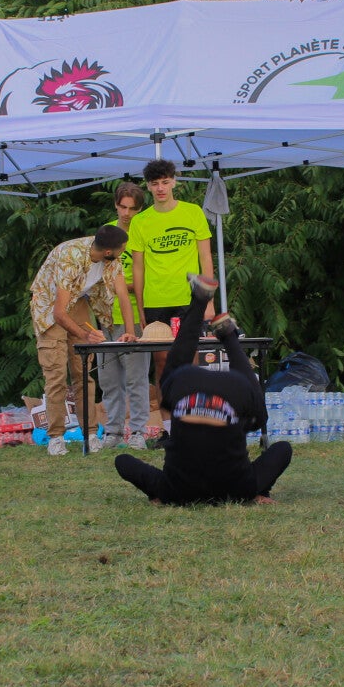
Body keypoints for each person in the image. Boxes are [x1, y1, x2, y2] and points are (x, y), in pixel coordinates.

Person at [113, 276, 292, 505]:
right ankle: (207, 310)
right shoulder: (170, 491)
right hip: (196, 389)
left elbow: (258, 421)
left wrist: (238, 423)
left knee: (268, 428)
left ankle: (227, 333)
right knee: (173, 372)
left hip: (223, 476)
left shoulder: (173, 491)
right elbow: (125, 464)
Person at [29, 224, 132, 455]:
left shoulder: (111, 259)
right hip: (50, 306)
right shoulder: (71, 257)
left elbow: (123, 296)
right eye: (122, 249)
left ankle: (91, 433)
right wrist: (85, 335)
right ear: (108, 251)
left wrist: (129, 332)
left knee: (83, 372)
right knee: (56, 374)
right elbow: (59, 313)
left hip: (77, 302)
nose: (123, 252)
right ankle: (56, 437)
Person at [128, 160, 213, 396]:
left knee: (190, 360)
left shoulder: (193, 212)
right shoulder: (140, 221)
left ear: (174, 182)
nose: (161, 188)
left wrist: (208, 301)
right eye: (155, 183)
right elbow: (138, 268)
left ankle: (190, 415)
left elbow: (206, 258)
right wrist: (141, 307)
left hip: (189, 298)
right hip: (156, 301)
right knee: (162, 363)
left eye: (165, 182)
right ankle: (167, 419)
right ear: (148, 186)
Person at [101, 182, 153, 450]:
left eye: (132, 209)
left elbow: (151, 276)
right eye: (122, 207)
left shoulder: (145, 231)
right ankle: (113, 431)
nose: (126, 213)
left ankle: (139, 432)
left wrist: (127, 287)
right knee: (109, 379)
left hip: (134, 315)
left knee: (136, 378)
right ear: (115, 205)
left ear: (140, 209)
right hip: (107, 316)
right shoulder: (107, 231)